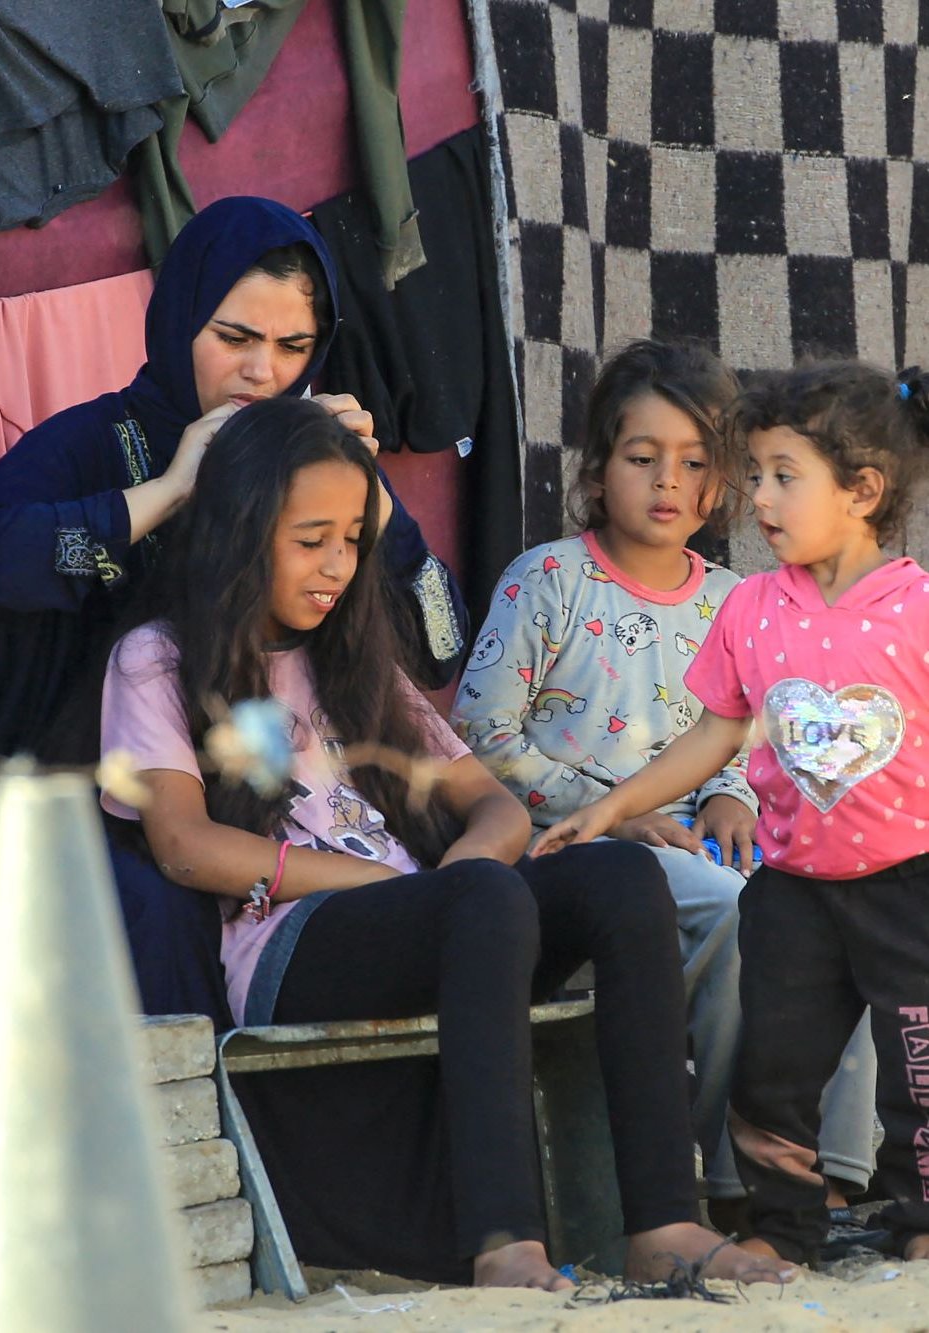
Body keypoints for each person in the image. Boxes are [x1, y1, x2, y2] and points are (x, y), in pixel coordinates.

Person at [98, 394, 793, 1289]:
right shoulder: (156, 659)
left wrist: (466, 871)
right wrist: (401, 890)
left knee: (621, 877)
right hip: (291, 943)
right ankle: (505, 1241)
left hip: (441, 915)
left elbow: (493, 806)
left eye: (353, 540)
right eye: (310, 540)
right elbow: (184, 845)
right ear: (238, 533)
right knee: (481, 897)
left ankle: (662, 1222)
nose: (337, 566)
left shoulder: (354, 661)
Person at [0, 195, 466, 1018]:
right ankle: (203, 1105)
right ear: (181, 320)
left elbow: (437, 647)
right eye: (234, 338)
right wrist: (166, 492)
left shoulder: (316, 468)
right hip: (78, 816)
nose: (264, 372)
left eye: (293, 346)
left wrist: (374, 504)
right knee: (159, 901)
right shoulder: (94, 445)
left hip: (288, 817)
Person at [450, 340, 876, 1236]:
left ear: (722, 484)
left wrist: (733, 794)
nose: (667, 483)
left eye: (694, 463)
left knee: (841, 903)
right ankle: (737, 1177)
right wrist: (614, 816)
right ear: (596, 469)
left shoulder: (738, 599)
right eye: (642, 458)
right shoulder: (547, 581)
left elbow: (747, 731)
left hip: (702, 840)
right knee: (729, 910)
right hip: (577, 850)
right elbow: (480, 737)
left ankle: (833, 1177)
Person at [534, 359, 929, 1267]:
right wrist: (610, 807)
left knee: (918, 1068)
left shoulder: (915, 610)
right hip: (791, 890)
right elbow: (713, 731)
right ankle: (782, 1228)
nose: (760, 498)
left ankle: (918, 1222)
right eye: (754, 473)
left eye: (784, 475)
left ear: (862, 491)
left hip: (908, 887)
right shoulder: (750, 608)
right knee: (770, 1070)